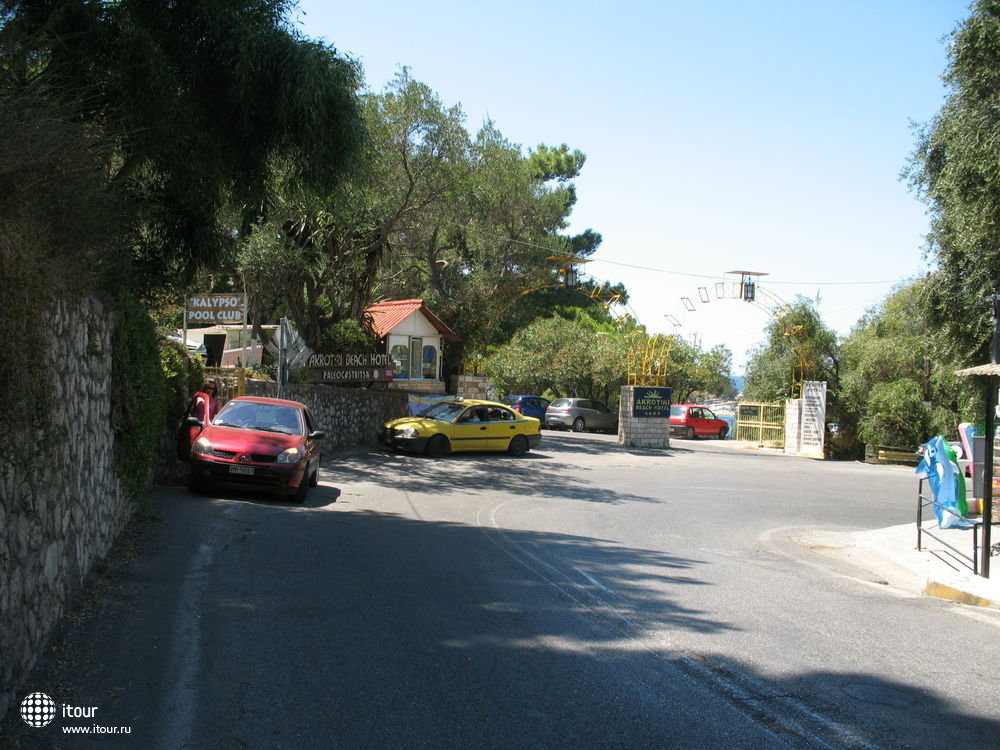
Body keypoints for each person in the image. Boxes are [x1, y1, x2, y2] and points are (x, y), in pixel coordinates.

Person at [178, 380, 220, 460]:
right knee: (192, 449)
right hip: (196, 427)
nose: (210, 390)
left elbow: (218, 415)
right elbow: (190, 412)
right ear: (204, 388)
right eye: (208, 387)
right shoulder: (198, 398)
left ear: (214, 390)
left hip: (207, 428)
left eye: (212, 388)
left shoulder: (215, 401)